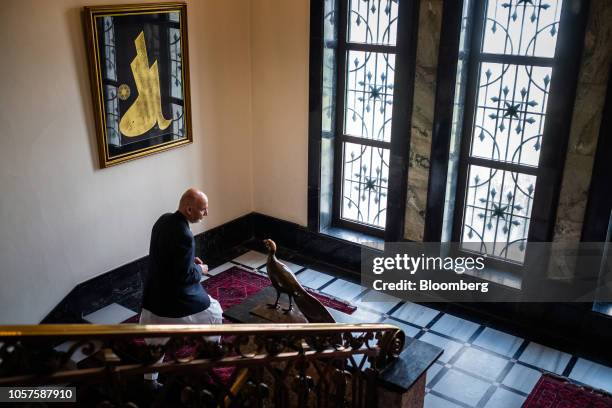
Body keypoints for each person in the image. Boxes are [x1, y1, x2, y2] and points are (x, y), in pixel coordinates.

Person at [139, 188, 223, 387]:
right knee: (215, 311)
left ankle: (149, 381)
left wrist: (188, 261)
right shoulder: (184, 234)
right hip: (173, 306)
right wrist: (200, 269)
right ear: (189, 209)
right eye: (203, 209)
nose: (207, 213)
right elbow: (185, 276)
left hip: (151, 303)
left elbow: (167, 256)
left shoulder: (163, 220)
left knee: (157, 341)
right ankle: (211, 352)